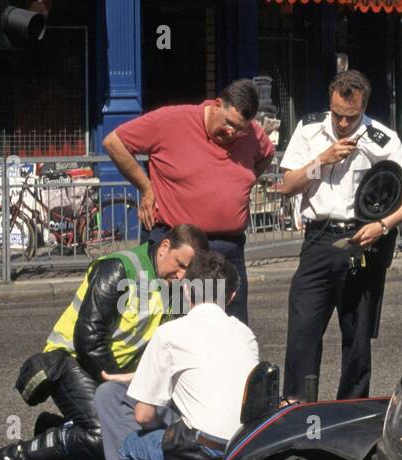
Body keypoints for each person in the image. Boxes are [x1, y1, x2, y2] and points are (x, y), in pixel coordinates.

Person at [0, 225, 207, 460]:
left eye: (189, 271)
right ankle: (14, 456)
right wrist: (122, 389)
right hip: (71, 360)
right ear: (164, 247)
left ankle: (57, 430)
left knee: (130, 438)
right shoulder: (121, 269)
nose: (182, 275)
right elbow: (88, 338)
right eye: (179, 265)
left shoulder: (174, 286)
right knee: (104, 435)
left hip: (112, 371)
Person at [277, 70, 402, 403]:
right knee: (302, 331)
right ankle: (298, 406)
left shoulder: (381, 138)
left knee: (357, 337)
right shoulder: (310, 129)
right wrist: (322, 160)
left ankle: (349, 410)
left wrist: (383, 225)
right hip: (317, 239)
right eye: (338, 116)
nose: (343, 124)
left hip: (360, 240)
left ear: (364, 107)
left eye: (351, 117)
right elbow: (287, 186)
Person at [112, 252, 260, 460]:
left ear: (186, 290)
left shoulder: (169, 334)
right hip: (248, 455)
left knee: (131, 447)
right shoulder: (244, 334)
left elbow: (144, 416)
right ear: (230, 296)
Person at [103, 79, 274, 324]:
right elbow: (114, 142)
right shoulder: (172, 121)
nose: (232, 133)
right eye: (229, 124)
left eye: (241, 129)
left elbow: (266, 155)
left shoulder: (253, 134)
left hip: (227, 250)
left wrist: (243, 181)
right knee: (172, 328)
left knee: (229, 331)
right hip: (180, 248)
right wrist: (146, 187)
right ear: (216, 105)